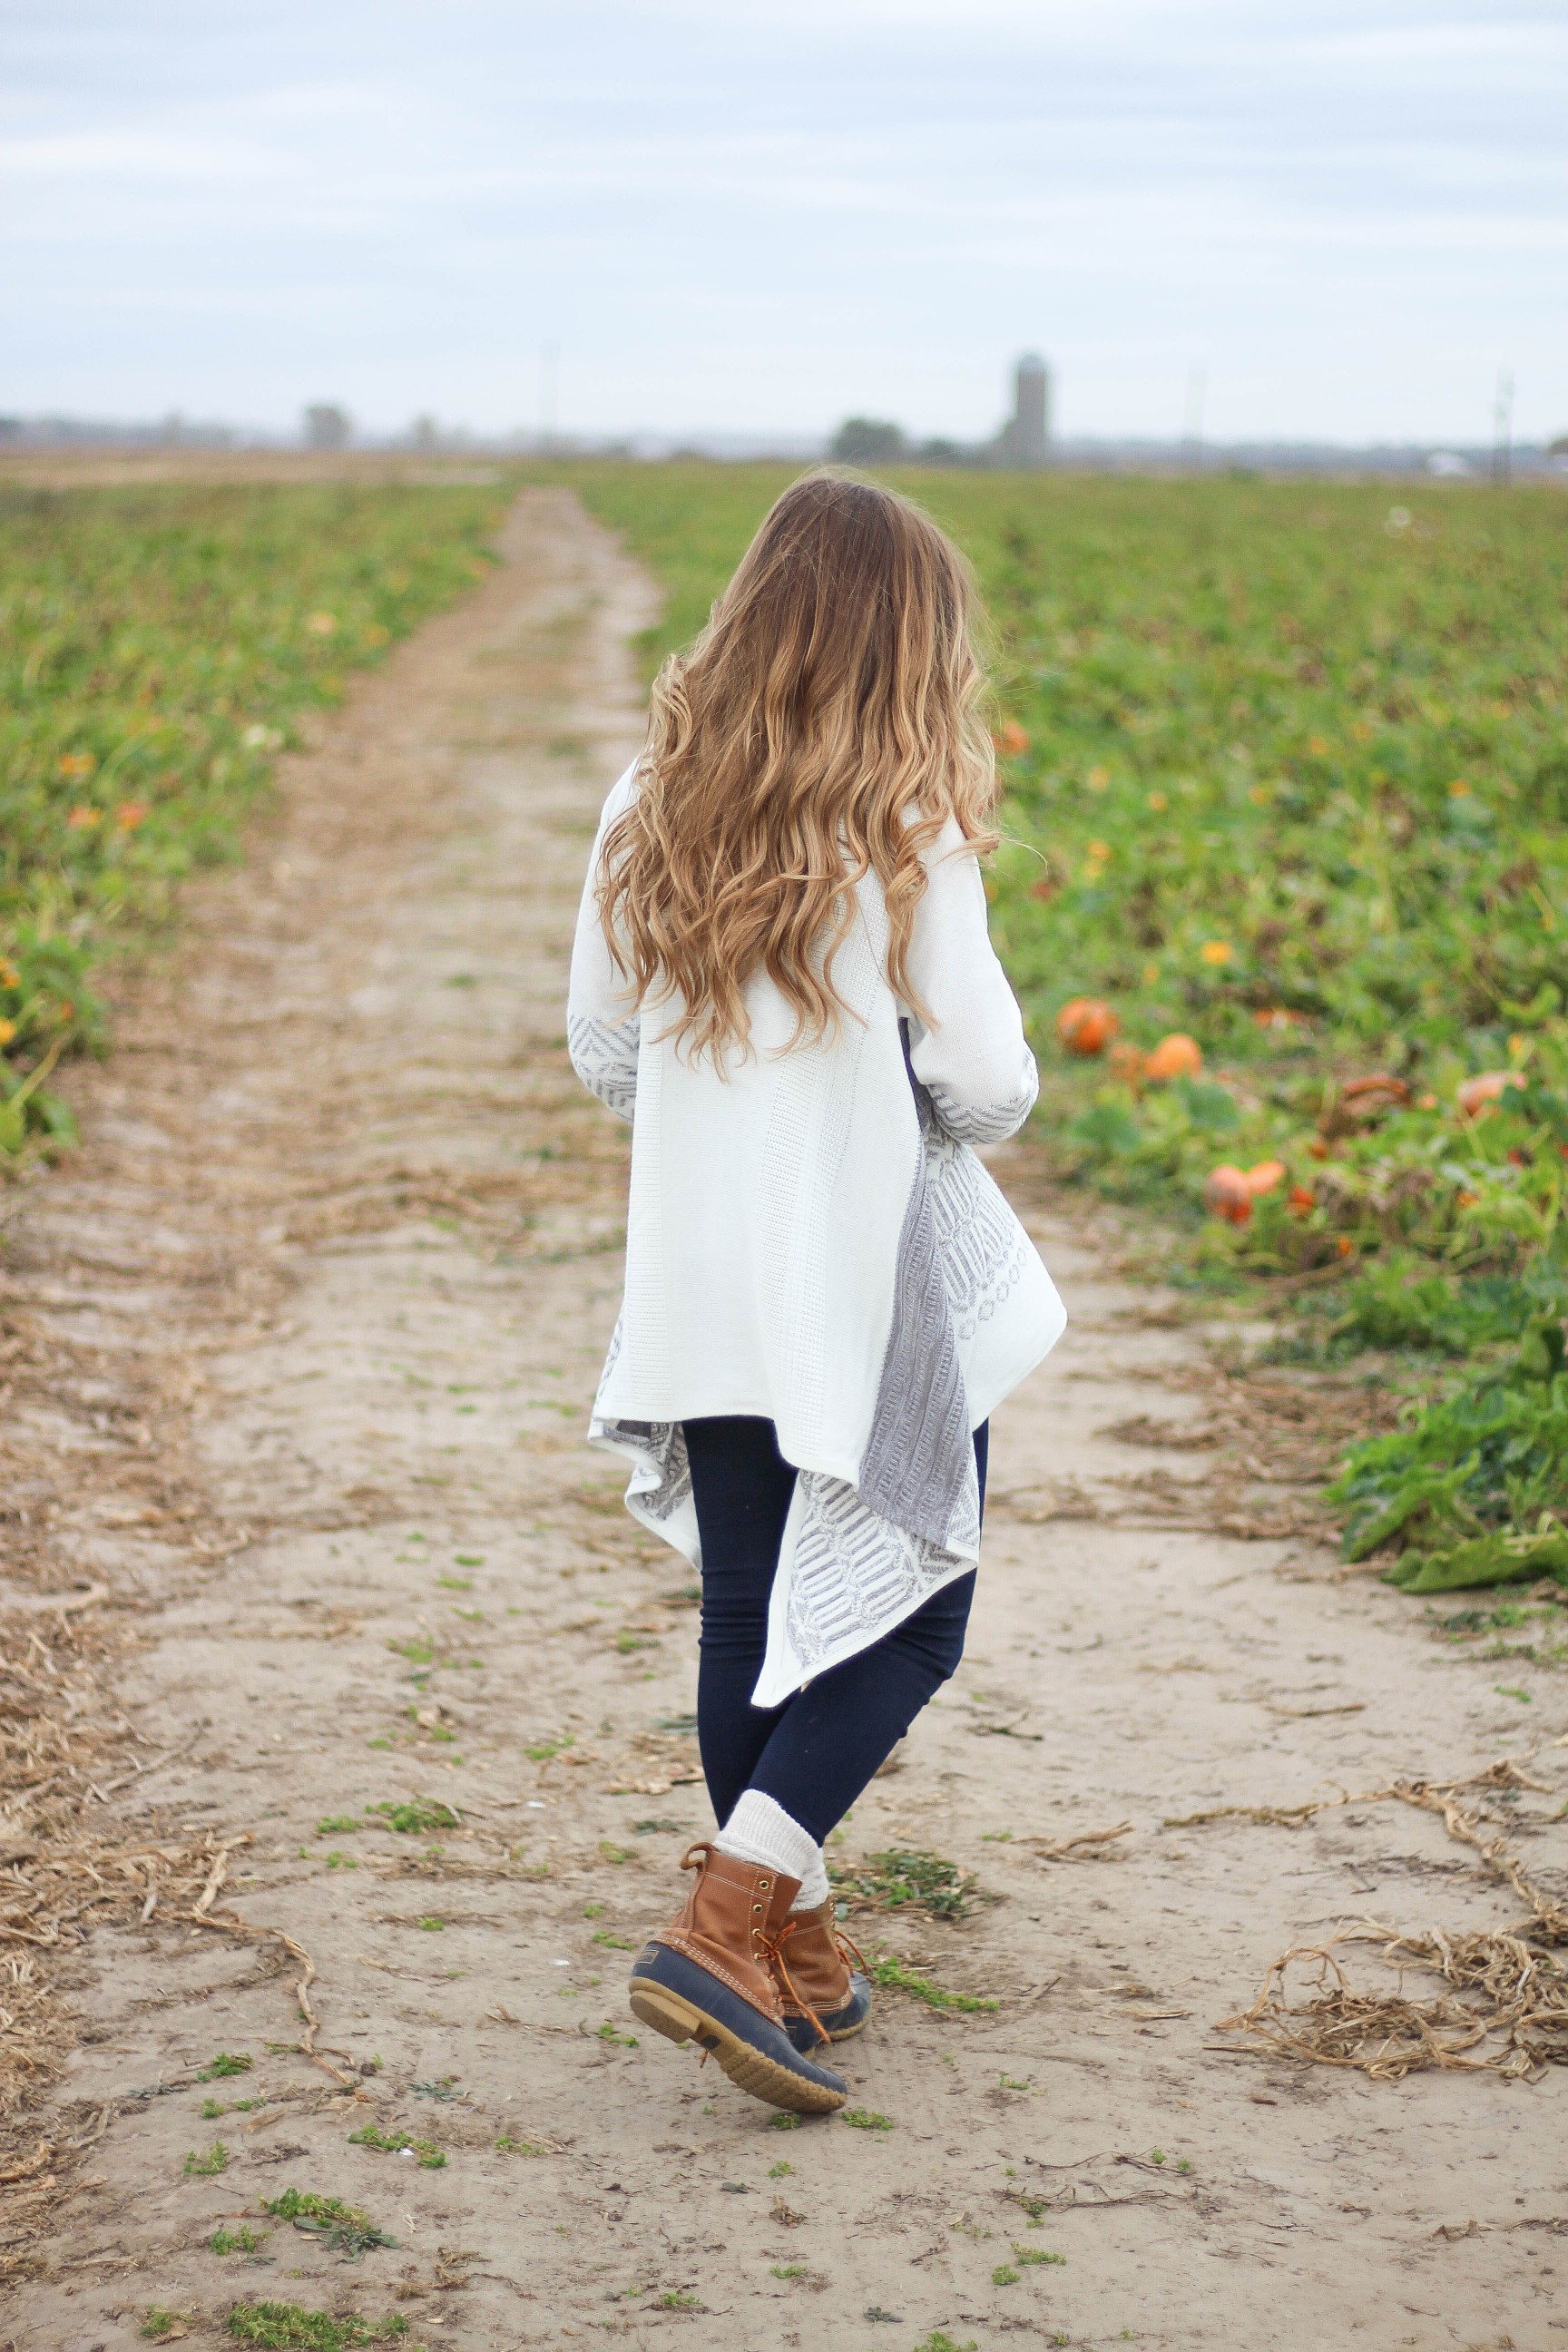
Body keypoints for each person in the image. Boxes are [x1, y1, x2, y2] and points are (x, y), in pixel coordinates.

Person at [566, 472, 1065, 2114]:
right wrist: (881, 1068)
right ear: (904, 645)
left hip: (706, 1280)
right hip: (856, 1288)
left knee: (750, 1615)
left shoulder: (651, 800)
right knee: (917, 1614)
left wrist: (742, 1106)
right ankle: (725, 1919)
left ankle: (801, 1943)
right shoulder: (907, 830)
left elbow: (608, 1058)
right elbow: (990, 1090)